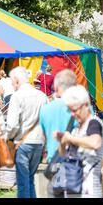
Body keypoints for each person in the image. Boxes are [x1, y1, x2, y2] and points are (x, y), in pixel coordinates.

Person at [55, 85, 103, 198]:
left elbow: (95, 142)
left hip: (89, 191)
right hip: (74, 188)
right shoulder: (77, 128)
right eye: (70, 110)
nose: (72, 114)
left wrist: (70, 139)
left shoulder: (94, 123)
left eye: (75, 110)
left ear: (86, 106)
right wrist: (62, 141)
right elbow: (62, 154)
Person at [6, 67, 47, 198]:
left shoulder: (17, 97)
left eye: (12, 83)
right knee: (30, 180)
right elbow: (46, 120)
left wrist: (8, 138)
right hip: (38, 142)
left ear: (17, 81)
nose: (12, 86)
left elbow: (12, 124)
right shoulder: (42, 96)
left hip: (22, 143)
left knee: (23, 182)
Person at [38, 69, 77, 197]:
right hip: (76, 164)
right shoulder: (81, 108)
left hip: (54, 162)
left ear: (56, 86)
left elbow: (42, 136)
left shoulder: (45, 109)